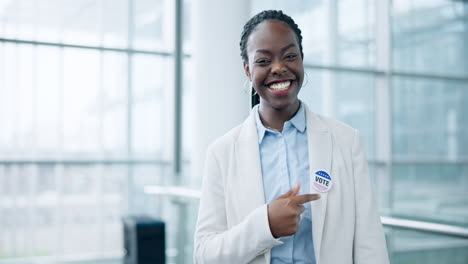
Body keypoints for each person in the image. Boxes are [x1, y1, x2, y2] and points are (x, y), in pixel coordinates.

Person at [194, 10, 389, 264]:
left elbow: (369, 245)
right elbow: (204, 255)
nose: (279, 68)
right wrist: (266, 225)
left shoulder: (345, 141)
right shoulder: (222, 153)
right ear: (247, 69)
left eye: (289, 56)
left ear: (302, 60)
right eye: (264, 61)